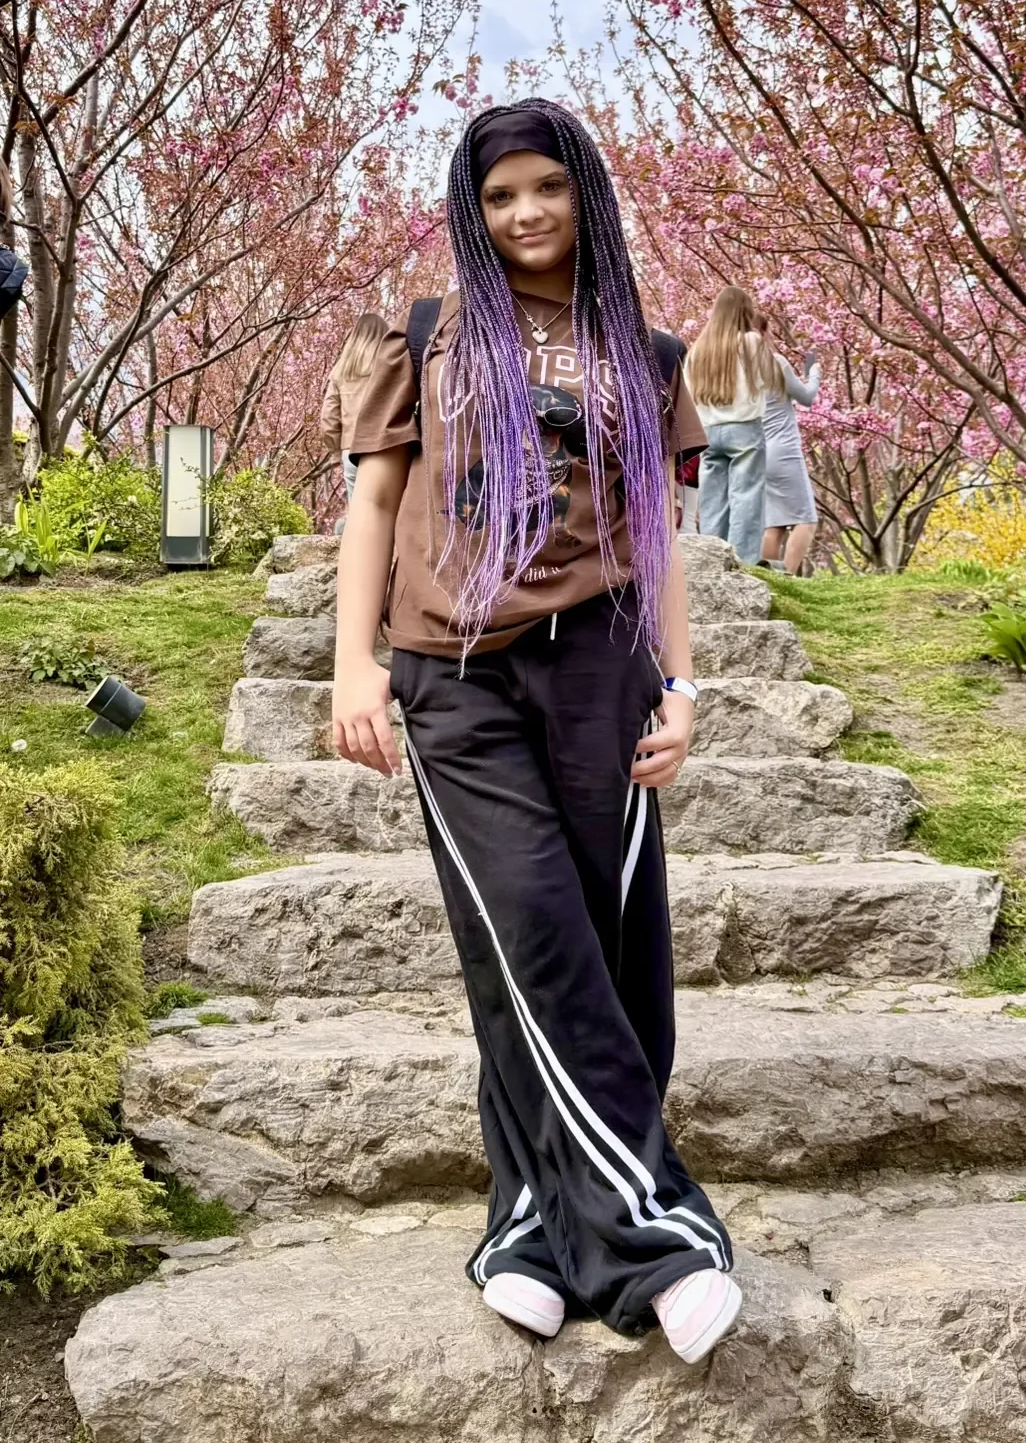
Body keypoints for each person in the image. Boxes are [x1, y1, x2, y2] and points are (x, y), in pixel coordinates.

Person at [332, 100, 740, 1364]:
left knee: (610, 950)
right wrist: (352, 666)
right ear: (473, 210)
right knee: (534, 935)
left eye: (547, 188)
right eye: (499, 195)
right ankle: (660, 1237)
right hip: (455, 677)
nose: (525, 214)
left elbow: (658, 538)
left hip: (602, 672)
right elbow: (375, 501)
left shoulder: (645, 353)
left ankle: (527, 1230)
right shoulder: (426, 338)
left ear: (584, 195)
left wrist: (682, 687)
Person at [683, 286, 781, 565]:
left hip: (709, 431)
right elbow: (769, 380)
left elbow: (688, 392)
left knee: (712, 499)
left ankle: (712, 559)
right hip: (744, 428)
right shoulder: (751, 342)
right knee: (746, 496)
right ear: (745, 313)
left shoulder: (699, 349)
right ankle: (743, 561)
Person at [759, 317, 822, 575]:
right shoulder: (775, 362)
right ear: (763, 333)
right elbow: (806, 397)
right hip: (784, 450)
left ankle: (768, 579)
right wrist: (814, 374)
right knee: (806, 519)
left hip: (759, 450)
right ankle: (787, 577)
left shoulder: (742, 367)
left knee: (774, 523)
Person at [320, 313, 388, 503]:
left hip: (351, 449)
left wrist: (335, 451)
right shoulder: (390, 366)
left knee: (358, 511)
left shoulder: (340, 371)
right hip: (386, 446)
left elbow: (328, 418)